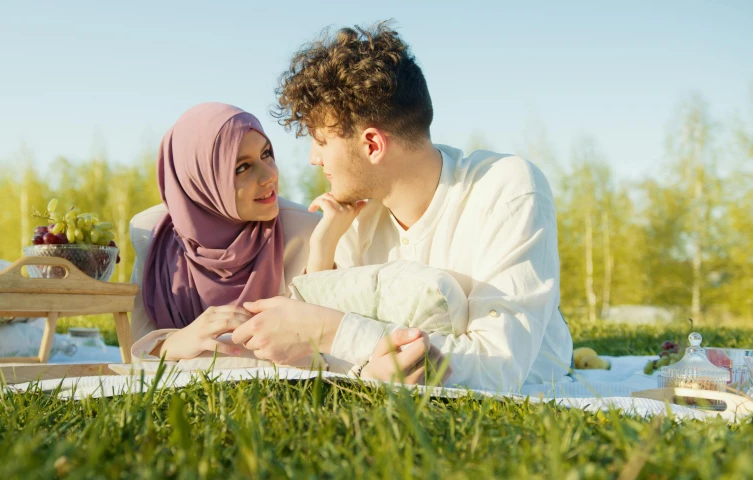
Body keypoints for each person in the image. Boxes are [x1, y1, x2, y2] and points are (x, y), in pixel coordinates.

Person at [229, 22, 573, 392]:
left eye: (321, 141)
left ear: (373, 145)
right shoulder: (354, 218)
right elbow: (323, 354)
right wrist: (323, 247)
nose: (314, 158)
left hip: (539, 380)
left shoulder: (506, 188)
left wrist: (330, 330)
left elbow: (497, 367)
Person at [128, 102, 445, 383]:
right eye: (242, 167)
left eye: (266, 154)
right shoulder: (153, 239)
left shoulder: (300, 228)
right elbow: (134, 354)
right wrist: (177, 341)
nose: (269, 175)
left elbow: (326, 358)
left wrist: (322, 247)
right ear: (199, 181)